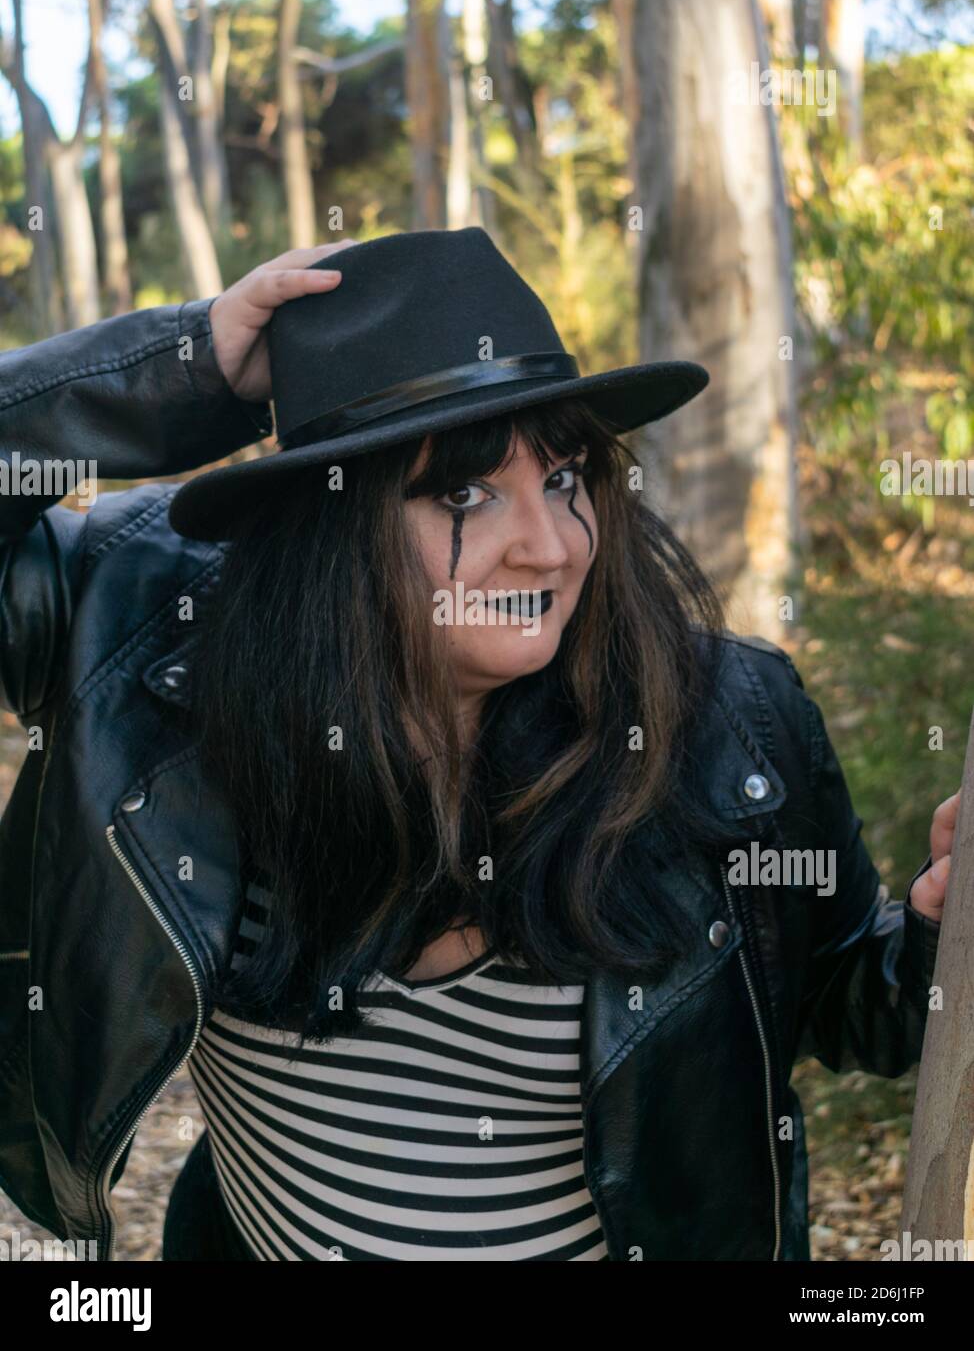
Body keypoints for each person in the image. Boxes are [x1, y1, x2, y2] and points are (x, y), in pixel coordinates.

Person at [0, 228, 952, 1263]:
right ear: (330, 523)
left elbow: (841, 997)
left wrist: (944, 939)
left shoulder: (725, 721)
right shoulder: (145, 649)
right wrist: (186, 373)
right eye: (463, 493)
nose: (547, 545)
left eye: (563, 476)